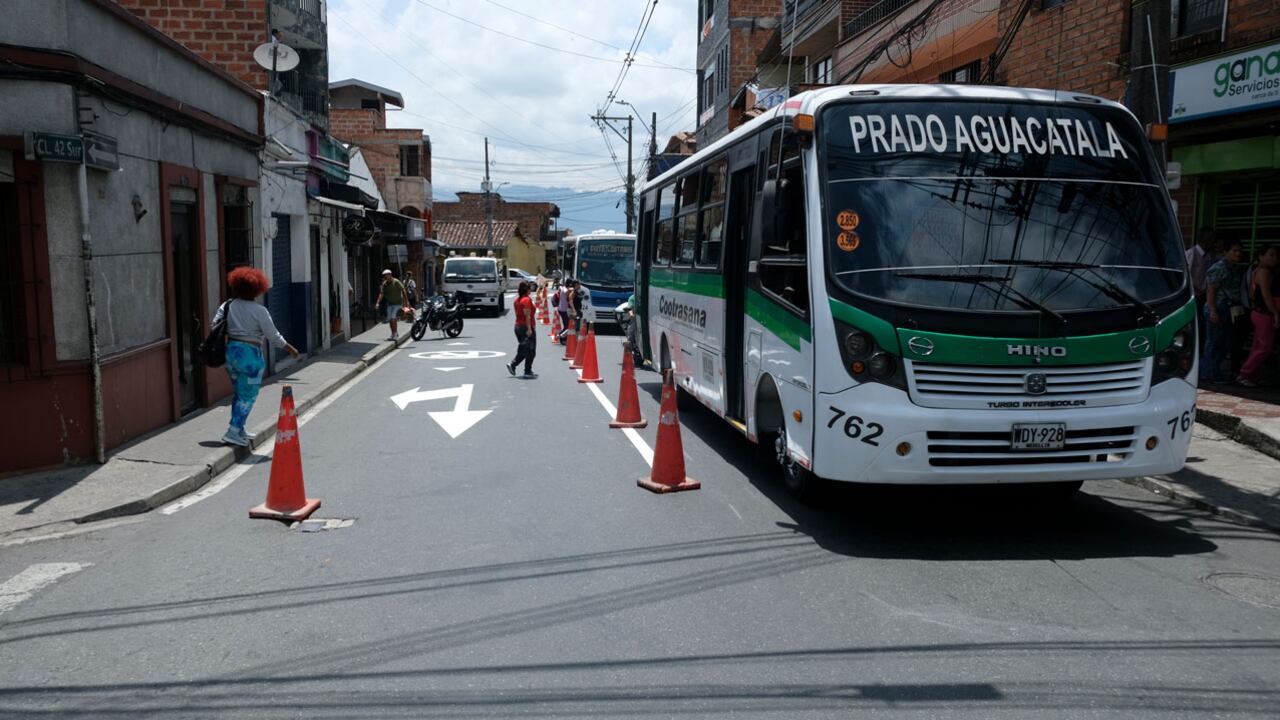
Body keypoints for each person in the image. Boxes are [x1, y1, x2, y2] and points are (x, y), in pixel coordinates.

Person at [214, 267, 299, 447]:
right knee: (249, 394)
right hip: (250, 357)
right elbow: (273, 335)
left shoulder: (227, 305)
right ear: (257, 288)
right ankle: (233, 430)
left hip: (231, 353)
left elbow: (214, 325)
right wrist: (289, 348)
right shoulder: (259, 311)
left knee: (240, 392)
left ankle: (240, 428)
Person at [1201, 242, 1246, 384]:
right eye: (1234, 251)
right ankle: (1208, 374)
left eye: (1239, 251)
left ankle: (1211, 371)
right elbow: (1211, 291)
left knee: (1223, 343)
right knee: (1214, 342)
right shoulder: (1218, 268)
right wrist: (1213, 311)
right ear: (1226, 252)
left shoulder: (1235, 268)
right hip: (1219, 307)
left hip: (1229, 308)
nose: (1238, 254)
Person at [1237, 245, 1279, 387]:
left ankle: (1251, 374)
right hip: (1263, 314)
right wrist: (1275, 313)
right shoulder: (1264, 272)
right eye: (1270, 254)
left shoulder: (1255, 270)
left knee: (1258, 345)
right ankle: (1245, 373)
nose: (1274, 258)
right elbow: (1267, 296)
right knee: (1265, 347)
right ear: (1261, 256)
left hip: (1258, 312)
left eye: (1275, 255)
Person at [1186, 228, 1218, 346]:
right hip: (1195, 295)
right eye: (1212, 240)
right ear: (1206, 240)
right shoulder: (1192, 254)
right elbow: (1186, 275)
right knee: (1197, 325)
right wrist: (1195, 290)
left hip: (1206, 295)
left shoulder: (1210, 256)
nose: (1214, 243)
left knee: (1204, 325)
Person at [506, 281, 537, 378]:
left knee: (525, 348)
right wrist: (529, 329)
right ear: (527, 290)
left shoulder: (517, 300)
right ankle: (525, 370)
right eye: (529, 289)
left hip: (518, 326)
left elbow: (517, 314)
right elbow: (527, 315)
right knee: (530, 350)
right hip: (525, 327)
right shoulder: (526, 300)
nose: (531, 290)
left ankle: (520, 367)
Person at [374, 269, 409, 341]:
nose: (386, 277)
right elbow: (381, 294)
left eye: (387, 275)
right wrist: (377, 303)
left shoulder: (396, 282)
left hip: (398, 304)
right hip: (390, 304)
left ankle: (395, 333)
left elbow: (403, 290)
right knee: (390, 319)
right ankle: (393, 333)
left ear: (390, 275)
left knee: (393, 318)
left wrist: (406, 302)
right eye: (384, 275)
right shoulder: (384, 284)